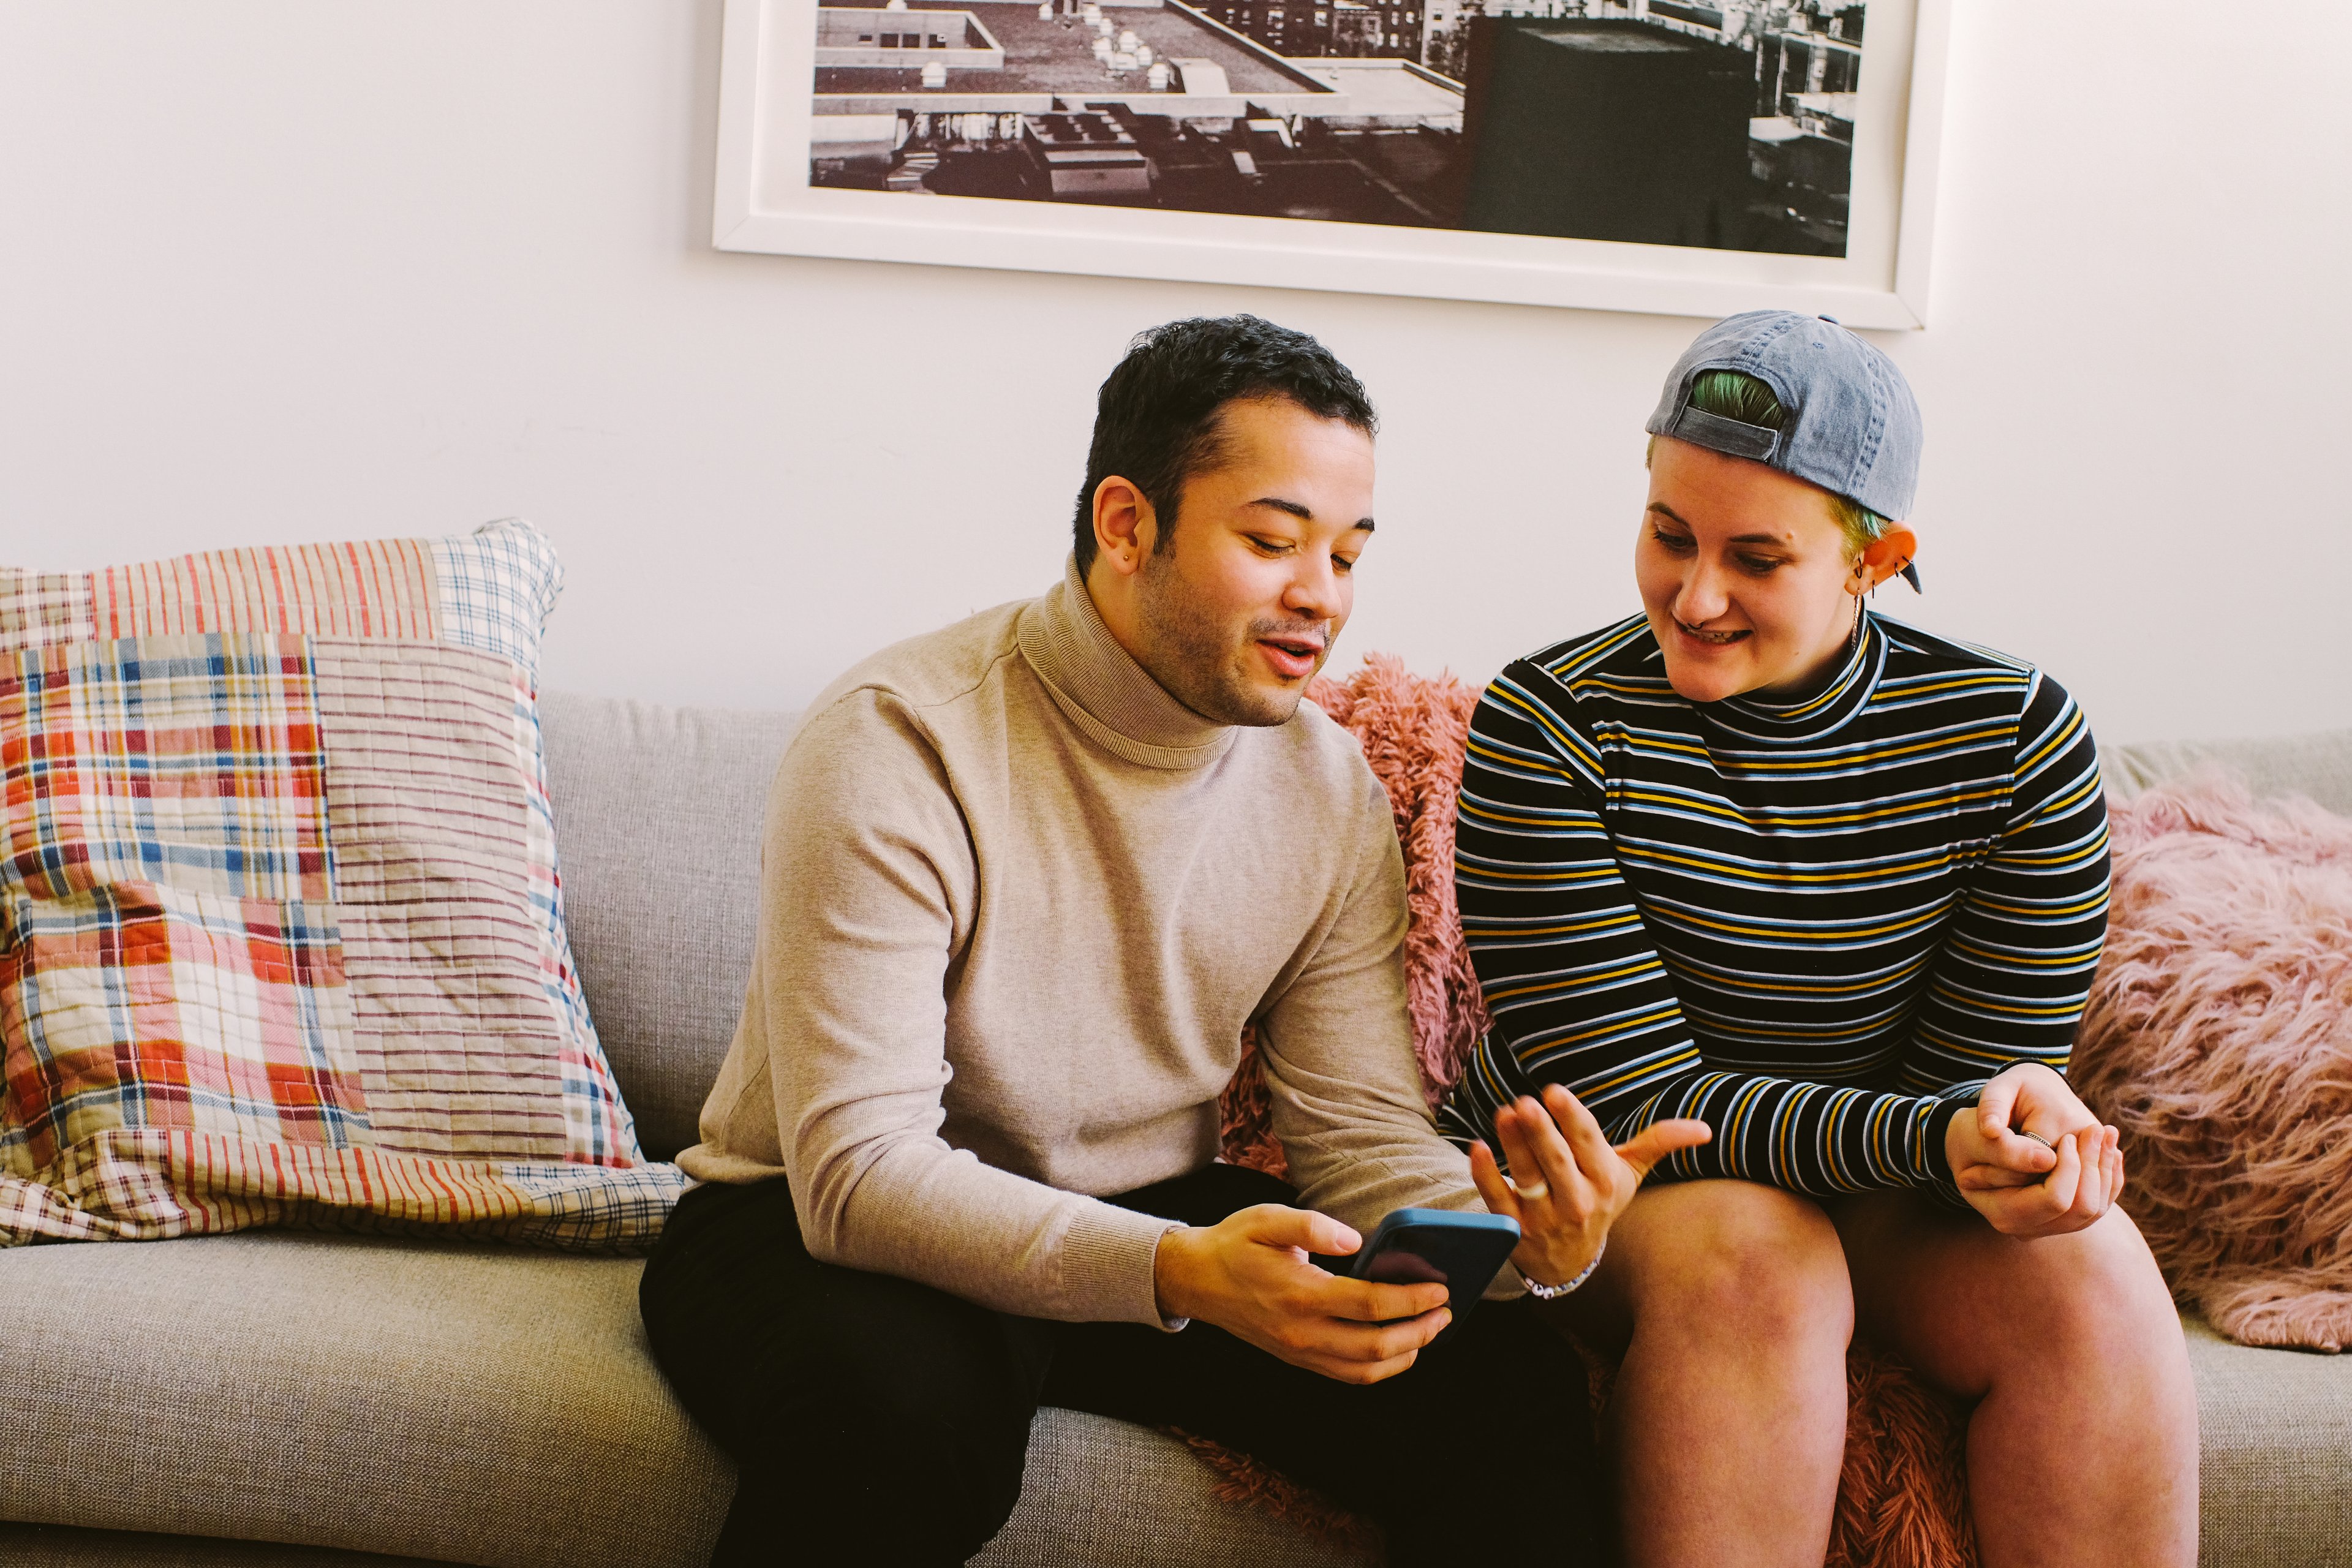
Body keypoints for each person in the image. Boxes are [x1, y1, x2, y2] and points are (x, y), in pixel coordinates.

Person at [640, 315, 1704, 1567]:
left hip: (1150, 1217)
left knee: (1500, 1384)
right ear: (1126, 523)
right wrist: (1185, 1273)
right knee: (904, 1416)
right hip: (829, 1229)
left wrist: (1515, 1240)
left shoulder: (1331, 792)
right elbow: (859, 1175)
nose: (1323, 595)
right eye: (1272, 539)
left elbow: (1358, 1145)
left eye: (1349, 553)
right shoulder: (898, 738)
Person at [1439, 311, 2199, 1568]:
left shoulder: (2013, 737)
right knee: (1762, 1260)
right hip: (1621, 1185)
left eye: (1756, 557)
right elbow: (1642, 1104)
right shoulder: (1549, 724)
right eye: (1669, 534)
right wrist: (1939, 1134)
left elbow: (1985, 1076)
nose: (1695, 595)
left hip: (1889, 1183)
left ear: (1874, 557)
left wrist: (2019, 1148)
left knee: (2096, 1272)